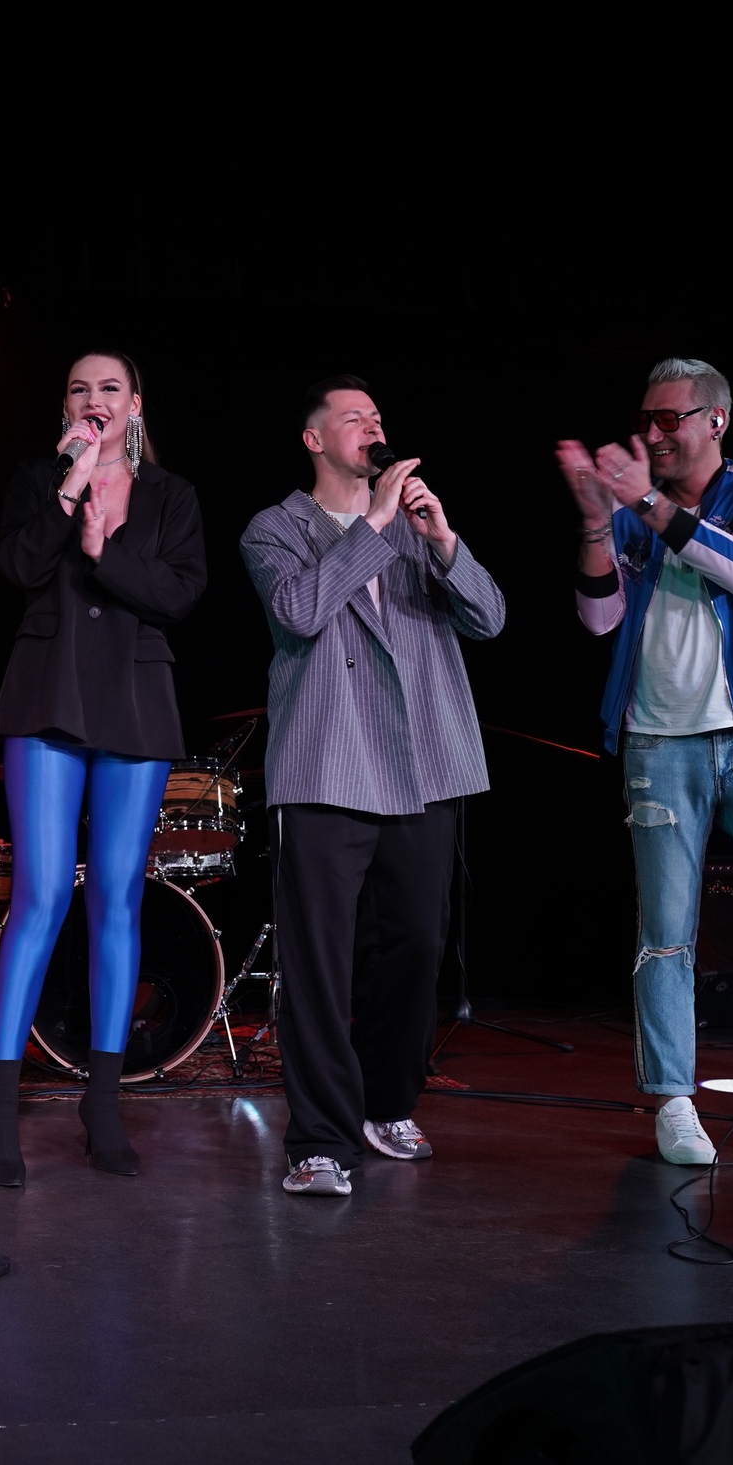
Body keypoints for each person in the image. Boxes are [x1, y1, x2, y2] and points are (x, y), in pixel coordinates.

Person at [555, 357, 733, 1166]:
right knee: (666, 934)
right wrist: (596, 521)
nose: (652, 434)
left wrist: (644, 505)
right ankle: (675, 1102)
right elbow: (598, 618)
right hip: (660, 743)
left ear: (715, 419)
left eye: (668, 418)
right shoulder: (632, 509)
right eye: (644, 419)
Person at [239, 377, 506, 1198]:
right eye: (354, 418)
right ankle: (319, 1140)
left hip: (424, 764)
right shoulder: (276, 528)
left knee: (418, 945)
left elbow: (490, 618)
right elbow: (299, 611)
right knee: (319, 961)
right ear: (315, 439)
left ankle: (387, 1102)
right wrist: (374, 525)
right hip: (328, 763)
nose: (372, 427)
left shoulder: (418, 529)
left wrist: (444, 540)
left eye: (378, 416)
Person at [0, 351, 208, 1185]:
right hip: (47, 692)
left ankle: (102, 1105)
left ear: (135, 404)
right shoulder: (41, 478)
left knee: (117, 896)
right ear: (65, 406)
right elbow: (16, 567)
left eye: (110, 387)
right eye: (80, 388)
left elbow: (180, 593)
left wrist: (105, 548)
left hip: (136, 702)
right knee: (40, 893)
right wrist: (70, 489)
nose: (94, 398)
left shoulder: (171, 495)